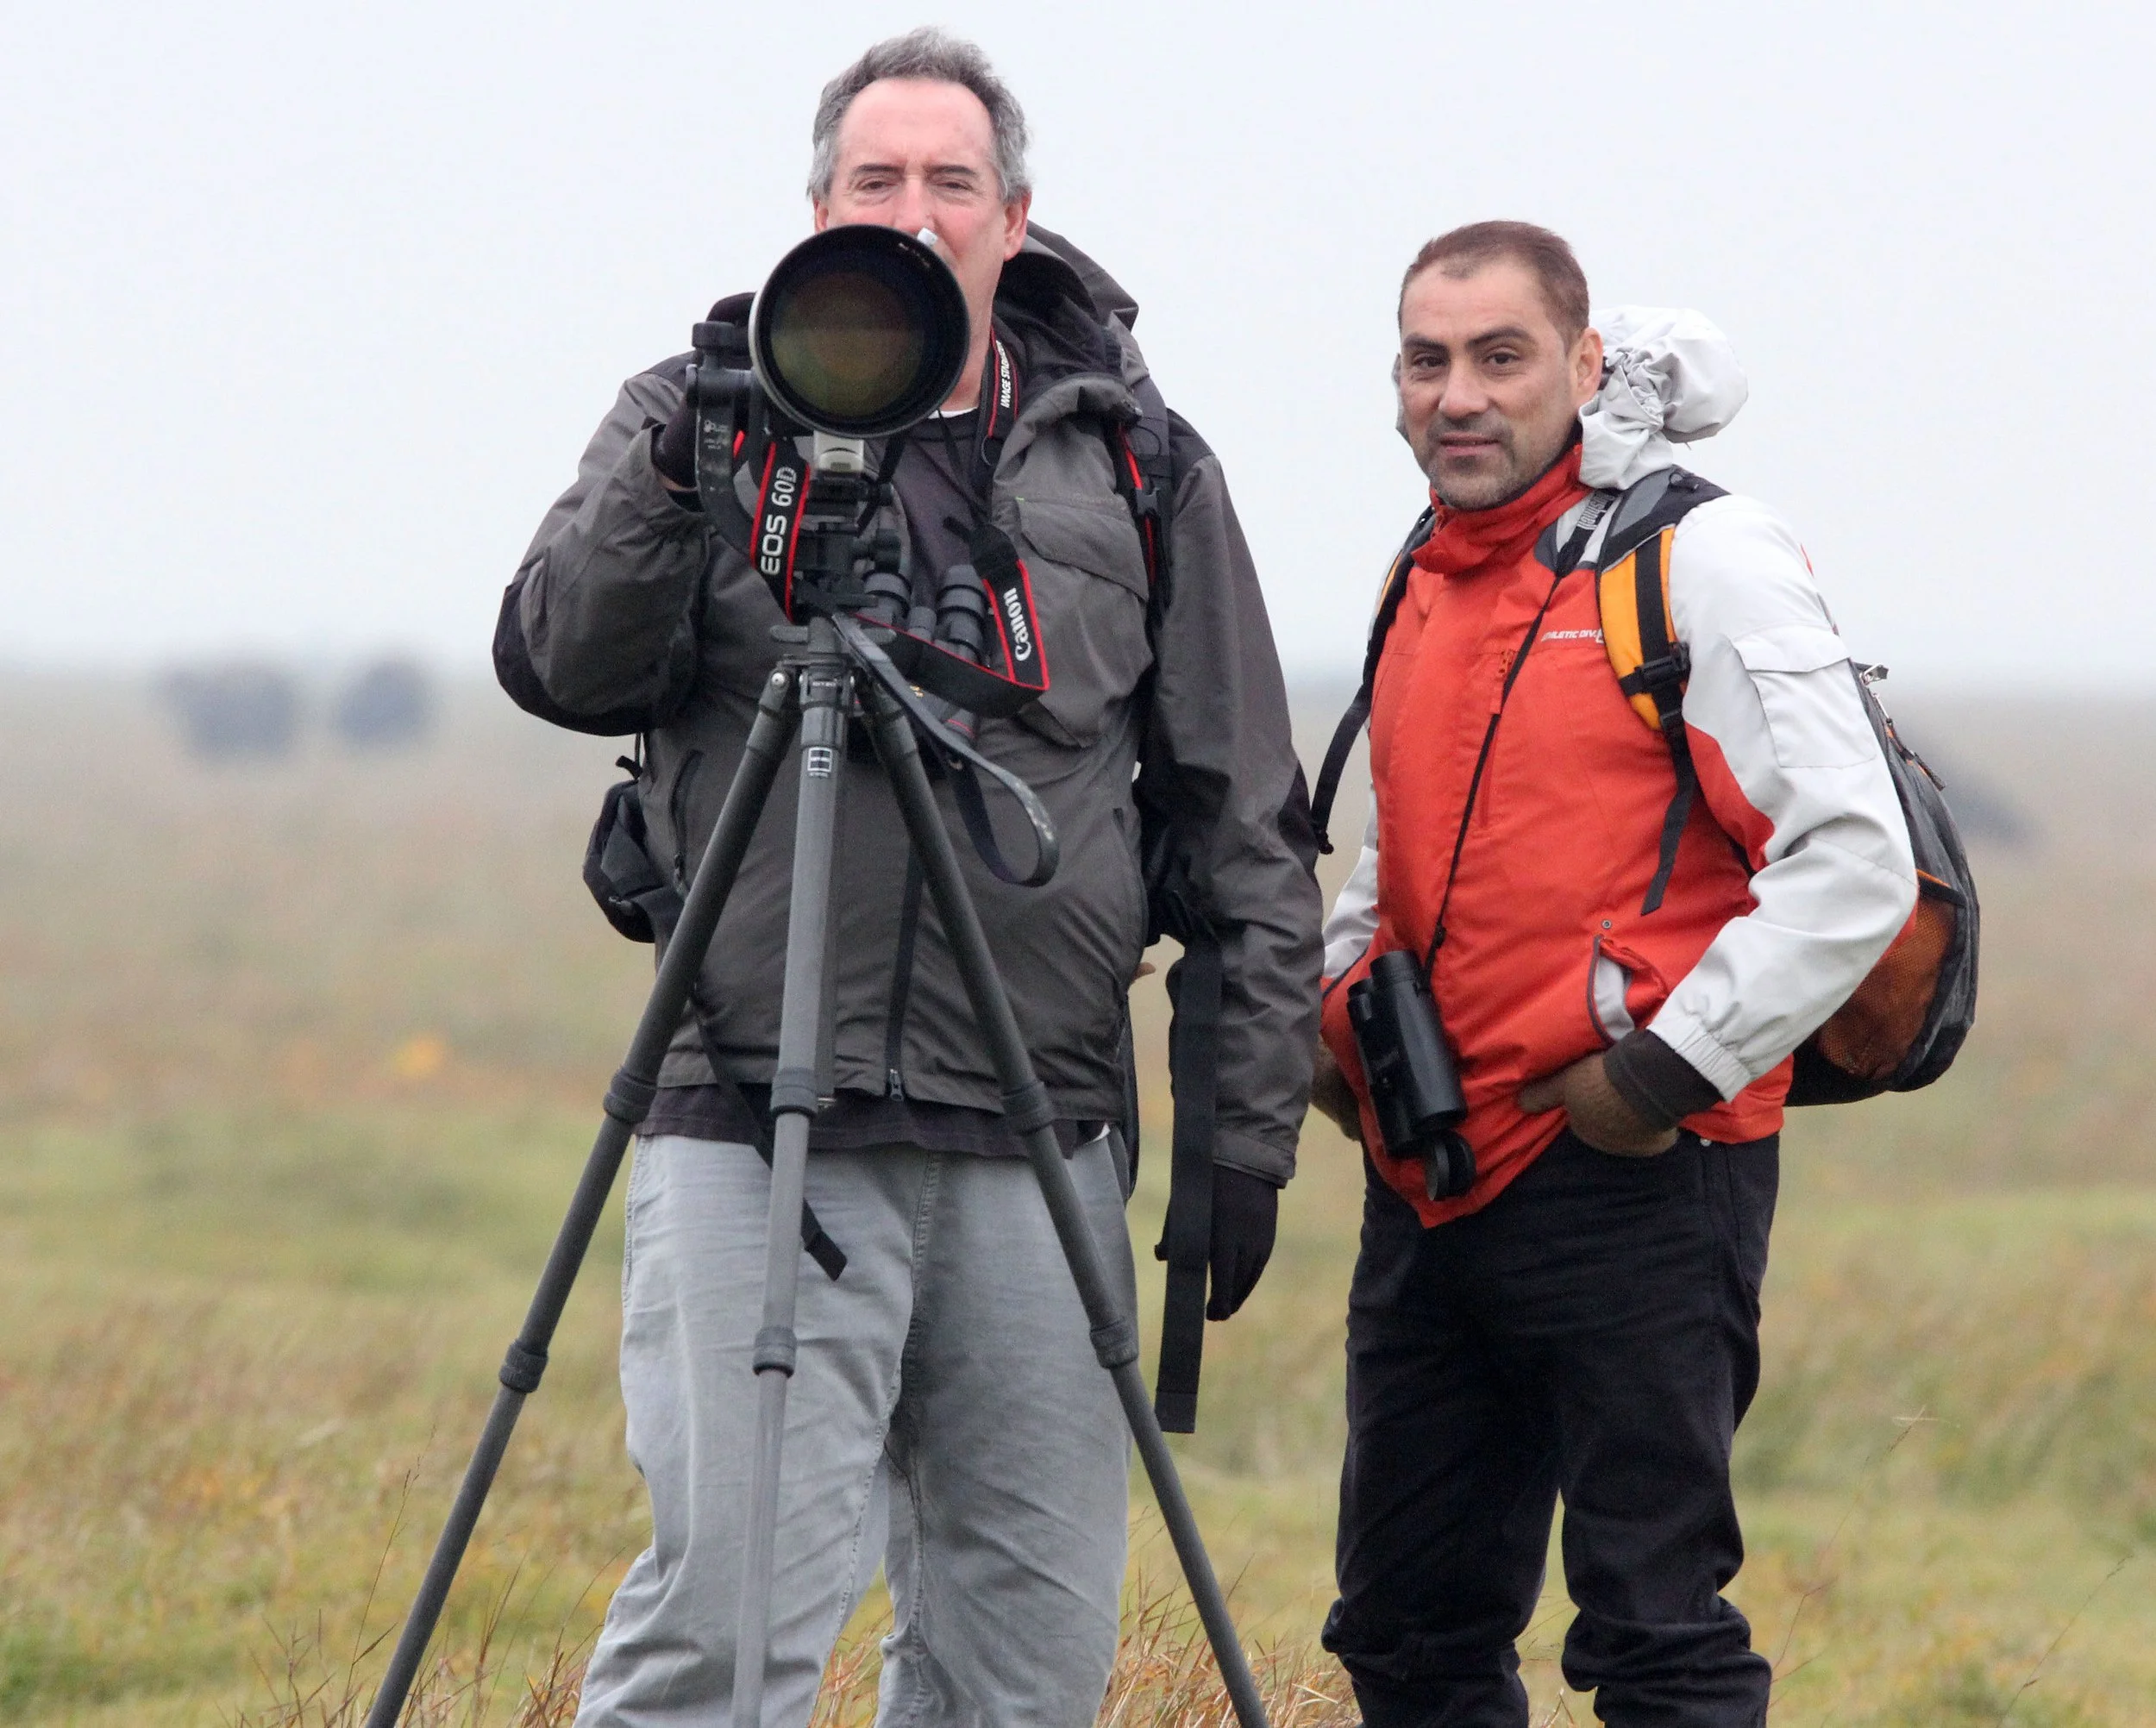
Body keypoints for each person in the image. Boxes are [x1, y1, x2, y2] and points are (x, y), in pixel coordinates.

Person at [494, 28, 1321, 1728]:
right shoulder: (698, 416)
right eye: (877, 179)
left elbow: (1242, 821)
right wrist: (690, 449)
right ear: (814, 209)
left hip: (1040, 1130)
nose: (916, 210)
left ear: (1015, 218)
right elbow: (561, 663)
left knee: (1024, 1660)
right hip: (752, 1112)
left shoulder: (1136, 463)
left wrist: (1242, 1135)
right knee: (722, 1633)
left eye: (952, 181)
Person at [1309, 222, 1917, 1726]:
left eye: (1501, 358)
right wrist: (1337, 1022)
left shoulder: (1700, 555)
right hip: (1435, 1167)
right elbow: (1395, 854)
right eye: (1426, 359)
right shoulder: (1429, 569)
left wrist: (1654, 1076)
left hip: (1640, 1171)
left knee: (1655, 1639)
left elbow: (1853, 860)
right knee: (1407, 1633)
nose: (1459, 395)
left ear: (1583, 367)